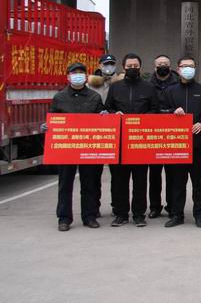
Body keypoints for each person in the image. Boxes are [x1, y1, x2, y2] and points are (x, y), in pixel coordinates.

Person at [161, 56, 201, 228]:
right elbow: (160, 111)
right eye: (184, 66)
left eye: (191, 66)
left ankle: (199, 214)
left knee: (198, 181)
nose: (188, 69)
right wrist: (172, 111)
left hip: (197, 144)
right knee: (177, 182)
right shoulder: (170, 91)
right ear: (178, 69)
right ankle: (177, 214)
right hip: (177, 144)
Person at [105, 53, 159, 228]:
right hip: (120, 141)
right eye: (129, 66)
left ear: (140, 67)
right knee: (119, 180)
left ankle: (139, 214)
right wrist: (115, 114)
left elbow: (155, 110)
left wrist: (144, 119)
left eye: (135, 66)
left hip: (140, 141)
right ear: (123, 67)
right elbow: (108, 108)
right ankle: (120, 214)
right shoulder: (115, 88)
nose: (132, 69)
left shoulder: (149, 87)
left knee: (140, 180)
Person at [52, 62, 105, 231]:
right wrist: (47, 127)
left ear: (86, 76)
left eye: (81, 73)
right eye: (74, 73)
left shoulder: (94, 97)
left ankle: (89, 216)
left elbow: (101, 121)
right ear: (68, 77)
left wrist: (105, 117)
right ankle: (64, 218)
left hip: (88, 146)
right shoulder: (59, 97)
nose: (78, 76)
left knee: (89, 183)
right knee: (65, 184)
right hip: (67, 148)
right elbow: (53, 119)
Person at [86, 53, 120, 217]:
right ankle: (94, 207)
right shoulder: (90, 85)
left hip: (117, 133)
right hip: (96, 134)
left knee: (118, 175)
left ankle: (117, 206)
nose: (109, 67)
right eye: (106, 64)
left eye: (112, 64)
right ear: (100, 65)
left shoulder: (120, 84)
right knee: (93, 175)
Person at [148, 54, 179, 218]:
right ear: (154, 67)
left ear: (170, 66)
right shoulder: (147, 85)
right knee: (154, 174)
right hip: (154, 134)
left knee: (172, 174)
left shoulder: (177, 83)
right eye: (159, 64)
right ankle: (155, 206)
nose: (162, 66)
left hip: (173, 134)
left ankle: (172, 206)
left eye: (165, 63)